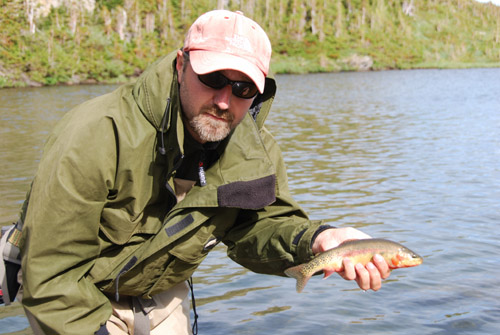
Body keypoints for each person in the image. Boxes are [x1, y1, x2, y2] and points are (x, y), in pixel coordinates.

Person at [10, 10, 390, 335]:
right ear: (180, 65)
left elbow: (256, 227)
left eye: (242, 88)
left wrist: (318, 240)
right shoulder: (96, 134)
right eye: (212, 79)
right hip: (75, 285)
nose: (224, 100)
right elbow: (53, 274)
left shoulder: (256, 150)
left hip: (158, 287)